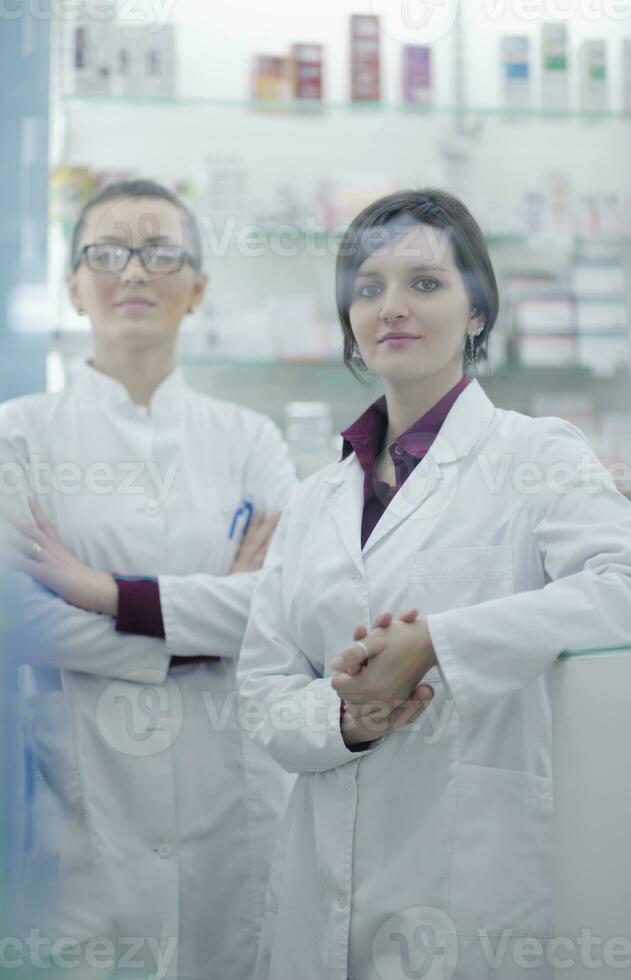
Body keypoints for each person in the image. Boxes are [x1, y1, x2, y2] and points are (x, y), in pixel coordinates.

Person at [237, 188, 631, 980]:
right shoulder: (318, 495)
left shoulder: (536, 455)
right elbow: (261, 690)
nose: (392, 306)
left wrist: (438, 644)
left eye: (425, 283)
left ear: (476, 311)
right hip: (320, 873)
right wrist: (352, 717)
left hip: (464, 873)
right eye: (369, 287)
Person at [1, 179, 297, 980]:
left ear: (198, 286)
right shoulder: (17, 434)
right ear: (72, 286)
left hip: (225, 786)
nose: (133, 272)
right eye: (107, 252)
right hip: (80, 789)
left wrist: (98, 590)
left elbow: (283, 609)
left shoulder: (250, 438)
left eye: (160, 252)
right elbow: (18, 617)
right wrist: (191, 643)